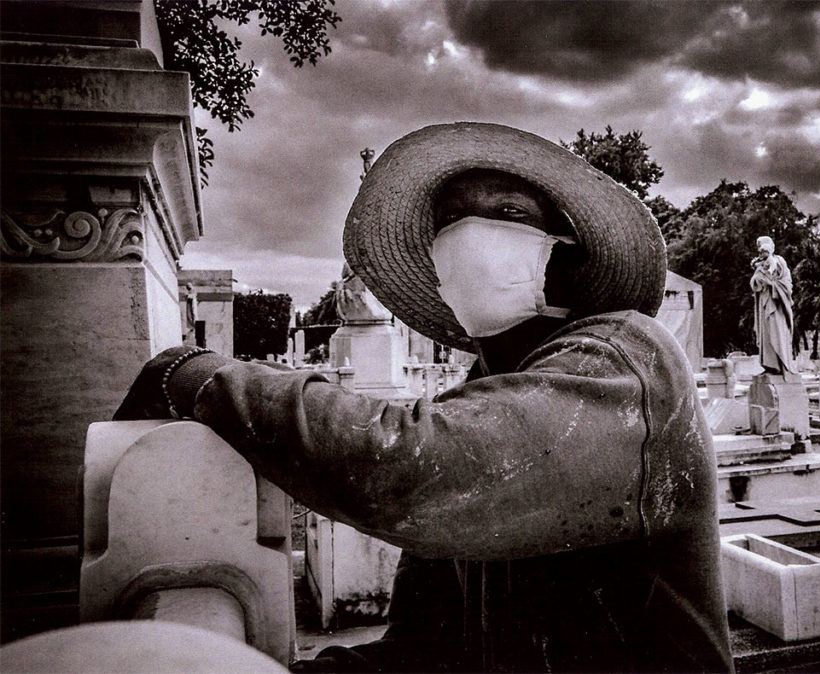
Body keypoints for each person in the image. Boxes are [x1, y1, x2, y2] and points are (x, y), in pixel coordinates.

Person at [115, 122, 733, 673]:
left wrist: (196, 377)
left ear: (567, 252)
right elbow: (430, 646)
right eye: (450, 223)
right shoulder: (480, 389)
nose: (471, 236)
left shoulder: (628, 359)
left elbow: (410, 463)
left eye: (510, 214)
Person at [749, 236, 797, 375]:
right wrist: (760, 277)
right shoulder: (760, 264)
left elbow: (786, 283)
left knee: (776, 332)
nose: (760, 251)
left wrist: (771, 281)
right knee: (766, 334)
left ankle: (780, 365)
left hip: (776, 304)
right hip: (764, 304)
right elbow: (754, 283)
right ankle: (769, 365)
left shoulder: (778, 260)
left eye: (762, 247)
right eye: (758, 248)